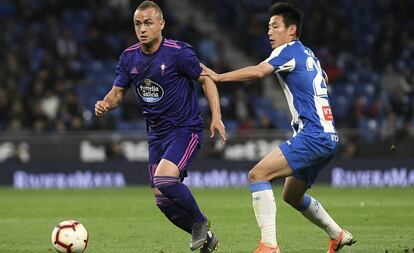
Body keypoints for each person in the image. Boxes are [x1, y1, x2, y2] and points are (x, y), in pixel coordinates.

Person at [201, 2, 355, 253]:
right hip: (329, 136)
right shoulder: (309, 55)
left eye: (274, 26)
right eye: (268, 27)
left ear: (291, 30)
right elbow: (323, 77)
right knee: (291, 196)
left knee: (257, 175)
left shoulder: (287, 51)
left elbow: (260, 71)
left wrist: (218, 77)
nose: (269, 32)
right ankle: (337, 234)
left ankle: (269, 246)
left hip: (313, 135)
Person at [95, 1, 225, 252]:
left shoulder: (179, 53)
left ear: (161, 24)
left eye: (148, 23)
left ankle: (200, 221)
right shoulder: (128, 57)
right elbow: (117, 93)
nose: (142, 29)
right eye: (137, 24)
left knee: (165, 180)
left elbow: (207, 80)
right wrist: (104, 104)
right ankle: (207, 238)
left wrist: (216, 116)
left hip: (185, 129)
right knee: (162, 200)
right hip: (156, 135)